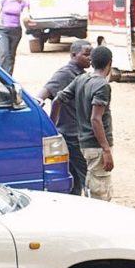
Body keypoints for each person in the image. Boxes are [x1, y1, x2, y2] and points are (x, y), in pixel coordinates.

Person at [60, 47, 116, 200]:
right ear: (109, 63)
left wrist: (53, 124)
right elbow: (95, 119)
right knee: (100, 190)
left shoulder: (81, 79)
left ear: (92, 62)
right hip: (97, 145)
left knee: (91, 183)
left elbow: (59, 98)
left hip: (84, 144)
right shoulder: (102, 86)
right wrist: (106, 150)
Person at [39, 39, 93, 195]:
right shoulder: (65, 74)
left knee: (74, 178)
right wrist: (50, 126)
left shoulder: (82, 75)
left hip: (78, 134)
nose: (89, 58)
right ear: (73, 55)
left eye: (91, 55)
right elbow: (41, 96)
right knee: (87, 176)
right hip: (71, 135)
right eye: (86, 55)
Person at [0, 0, 28, 74]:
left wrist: (26, 18)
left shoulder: (23, 2)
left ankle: (8, 76)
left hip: (15, 31)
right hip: (2, 30)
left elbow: (25, 14)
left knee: (11, 55)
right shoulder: (4, 1)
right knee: (4, 52)